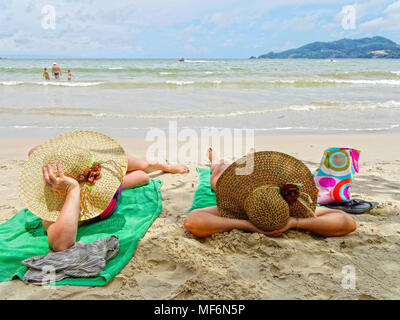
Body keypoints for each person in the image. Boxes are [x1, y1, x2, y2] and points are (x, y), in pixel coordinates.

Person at [22, 131, 189, 252]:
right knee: (141, 177)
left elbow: (35, 152)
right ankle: (145, 171)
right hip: (103, 197)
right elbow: (61, 244)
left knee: (143, 166)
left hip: (100, 172)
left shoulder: (51, 208)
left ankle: (164, 166)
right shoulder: (54, 211)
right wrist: (73, 189)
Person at [184, 148, 356, 238]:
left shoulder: (241, 211)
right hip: (265, 183)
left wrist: (247, 225)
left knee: (220, 172)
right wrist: (294, 222)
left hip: (241, 190)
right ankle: (244, 155)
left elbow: (193, 221)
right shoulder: (294, 208)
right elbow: (346, 222)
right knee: (226, 169)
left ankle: (217, 159)